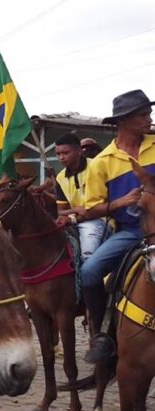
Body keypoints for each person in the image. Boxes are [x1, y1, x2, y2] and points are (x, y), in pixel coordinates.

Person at [81, 89, 155, 364]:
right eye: (143, 115)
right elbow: (91, 208)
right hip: (131, 232)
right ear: (123, 120)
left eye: (149, 113)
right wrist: (121, 202)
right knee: (89, 272)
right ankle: (102, 335)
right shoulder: (101, 163)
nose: (150, 119)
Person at [52, 133, 107, 261]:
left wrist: (72, 217)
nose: (61, 158)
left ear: (79, 151)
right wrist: (76, 210)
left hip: (99, 220)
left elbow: (99, 208)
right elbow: (61, 211)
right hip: (77, 219)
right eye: (58, 154)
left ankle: (90, 274)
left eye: (66, 153)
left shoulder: (97, 166)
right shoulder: (60, 177)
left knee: (88, 256)